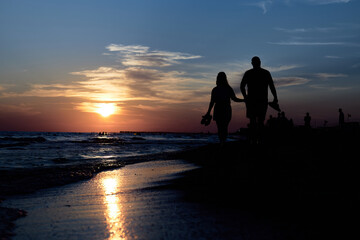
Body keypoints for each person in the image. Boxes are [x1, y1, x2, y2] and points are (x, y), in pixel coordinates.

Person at [240, 56, 278, 142]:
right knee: (260, 121)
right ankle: (259, 140)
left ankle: (255, 140)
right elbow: (272, 86)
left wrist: (245, 97)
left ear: (252, 63)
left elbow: (242, 86)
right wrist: (275, 98)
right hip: (260, 101)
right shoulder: (265, 73)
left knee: (254, 121)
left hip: (253, 101)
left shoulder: (249, 73)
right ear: (259, 62)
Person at [204, 72, 244, 144]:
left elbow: (212, 102)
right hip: (226, 109)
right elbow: (235, 99)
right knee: (224, 127)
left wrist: (208, 112)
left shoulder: (215, 89)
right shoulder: (228, 88)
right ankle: (223, 142)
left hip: (219, 109)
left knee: (220, 127)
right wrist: (243, 100)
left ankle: (222, 142)